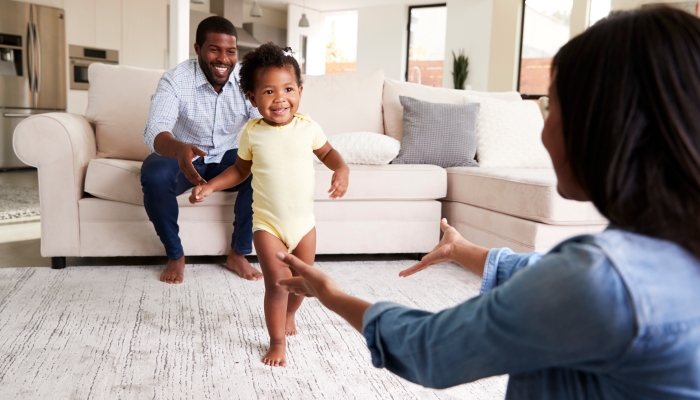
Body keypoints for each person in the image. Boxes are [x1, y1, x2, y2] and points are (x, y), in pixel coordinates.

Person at [276, 6, 700, 398]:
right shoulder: (660, 255)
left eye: (551, 108)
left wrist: (329, 292)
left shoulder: (602, 281)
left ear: (603, 127)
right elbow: (553, 281)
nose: (543, 131)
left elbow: (431, 349)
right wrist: (462, 250)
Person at [189, 43, 350, 367]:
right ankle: (277, 342)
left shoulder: (308, 126)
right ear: (252, 98)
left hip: (304, 225)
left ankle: (291, 315)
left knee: (303, 285)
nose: (280, 98)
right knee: (277, 284)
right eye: (268, 91)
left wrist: (342, 169)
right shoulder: (252, 133)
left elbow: (329, 154)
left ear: (300, 91)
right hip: (268, 226)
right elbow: (239, 170)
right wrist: (211, 185)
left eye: (288, 89)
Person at [142, 16, 263, 284]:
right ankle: (175, 255)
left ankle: (238, 254)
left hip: (228, 159)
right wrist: (179, 149)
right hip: (183, 158)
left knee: (263, 167)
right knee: (154, 174)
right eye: (214, 49)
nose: (224, 59)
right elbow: (155, 128)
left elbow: (265, 119)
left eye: (230, 51)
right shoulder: (175, 81)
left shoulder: (246, 81)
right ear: (198, 49)